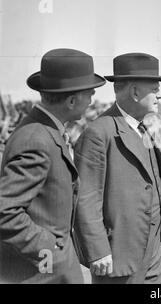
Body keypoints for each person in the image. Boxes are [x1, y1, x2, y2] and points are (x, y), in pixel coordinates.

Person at [73, 53, 161, 284]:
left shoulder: (140, 127)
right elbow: (85, 199)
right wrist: (98, 251)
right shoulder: (99, 132)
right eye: (154, 89)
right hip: (120, 256)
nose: (160, 94)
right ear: (135, 92)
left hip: (152, 251)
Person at [0, 48, 105, 283]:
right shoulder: (36, 139)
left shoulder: (44, 131)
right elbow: (4, 212)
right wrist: (52, 251)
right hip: (41, 273)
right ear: (71, 100)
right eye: (90, 94)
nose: (92, 101)